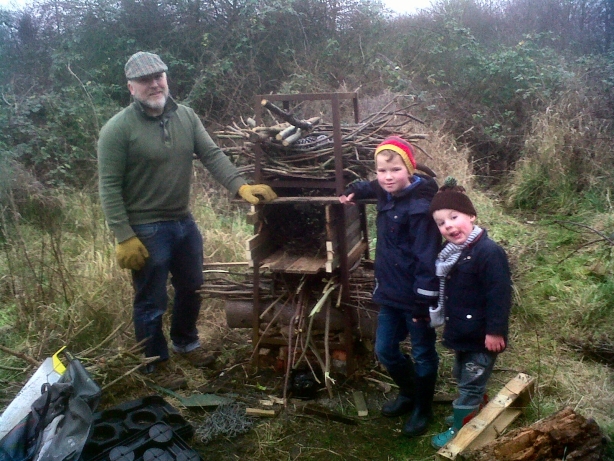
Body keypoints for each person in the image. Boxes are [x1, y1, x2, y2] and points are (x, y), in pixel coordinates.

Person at [97, 51, 276, 390]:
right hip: (145, 229)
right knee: (151, 301)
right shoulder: (117, 130)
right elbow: (108, 186)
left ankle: (185, 343)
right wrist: (123, 234)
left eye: (158, 76)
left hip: (182, 222)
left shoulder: (187, 117)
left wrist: (241, 187)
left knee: (193, 286)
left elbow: (211, 155)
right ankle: (155, 364)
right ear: (130, 88)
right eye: (145, 80)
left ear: (166, 78)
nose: (154, 84)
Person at [339, 136, 441, 437]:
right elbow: (370, 185)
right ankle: (409, 392)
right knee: (385, 350)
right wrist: (356, 189)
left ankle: (424, 407)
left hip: (415, 296)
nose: (387, 177)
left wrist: (424, 299)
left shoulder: (421, 207)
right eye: (382, 171)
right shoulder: (385, 191)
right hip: (389, 292)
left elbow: (427, 257)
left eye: (394, 170)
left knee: (422, 352)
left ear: (408, 169)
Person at [428, 177, 512, 449]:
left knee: (469, 384)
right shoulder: (451, 253)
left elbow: (499, 294)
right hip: (463, 333)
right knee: (462, 374)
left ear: (472, 215)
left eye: (454, 217)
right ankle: (477, 410)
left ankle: (461, 432)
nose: (448, 225)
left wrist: (495, 331)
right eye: (441, 222)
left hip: (481, 337)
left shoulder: (488, 252)